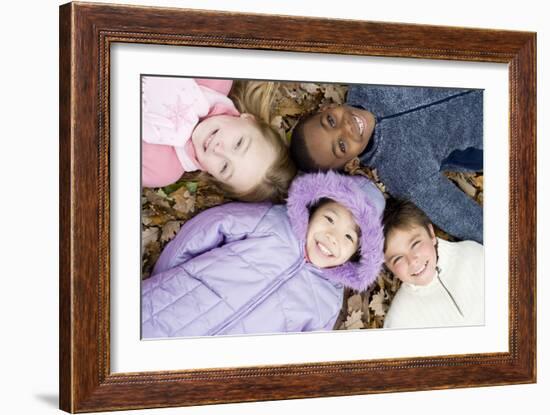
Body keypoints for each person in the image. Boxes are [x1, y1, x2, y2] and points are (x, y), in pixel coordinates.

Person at [141, 171, 384, 338]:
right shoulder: (275, 222)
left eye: (348, 237)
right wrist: (168, 278)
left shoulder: (327, 303)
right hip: (171, 307)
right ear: (313, 211)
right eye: (330, 219)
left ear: (356, 254)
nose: (332, 236)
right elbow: (212, 226)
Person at [289, 83, 483, 242]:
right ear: (350, 163)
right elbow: (462, 217)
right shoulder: (403, 173)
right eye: (341, 145)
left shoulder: (369, 80)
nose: (345, 127)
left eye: (331, 121)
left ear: (327, 108)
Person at [142, 77, 296, 202]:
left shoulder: (162, 170)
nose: (219, 150)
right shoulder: (214, 78)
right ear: (249, 119)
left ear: (212, 175)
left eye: (224, 167)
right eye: (238, 143)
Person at [381, 198, 484, 329]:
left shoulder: (471, 254)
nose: (412, 260)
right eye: (397, 259)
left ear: (431, 234)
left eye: (415, 244)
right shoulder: (399, 321)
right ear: (388, 267)